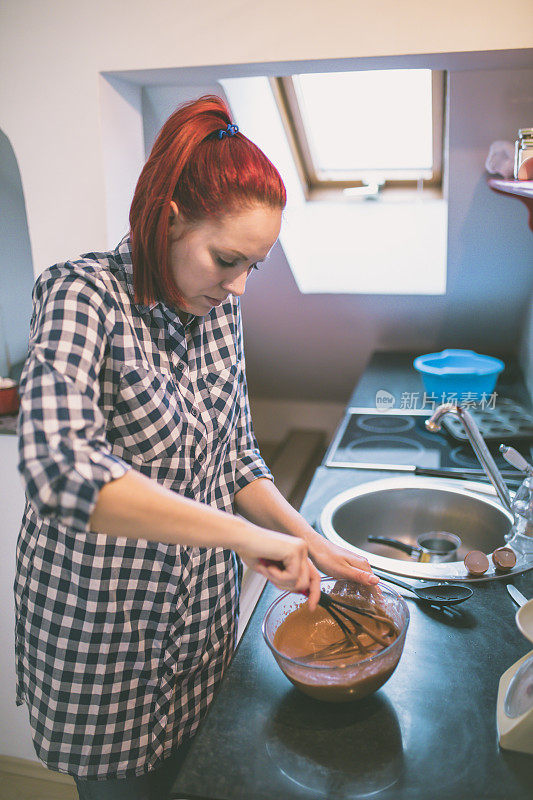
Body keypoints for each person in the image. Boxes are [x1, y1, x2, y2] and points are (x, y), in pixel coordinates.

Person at [14, 95, 379, 799]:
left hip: (200, 618)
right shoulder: (79, 296)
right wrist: (241, 536)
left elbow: (235, 455)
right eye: (226, 258)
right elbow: (60, 470)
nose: (240, 284)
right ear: (169, 217)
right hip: (104, 633)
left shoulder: (218, 310)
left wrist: (312, 541)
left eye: (256, 266)